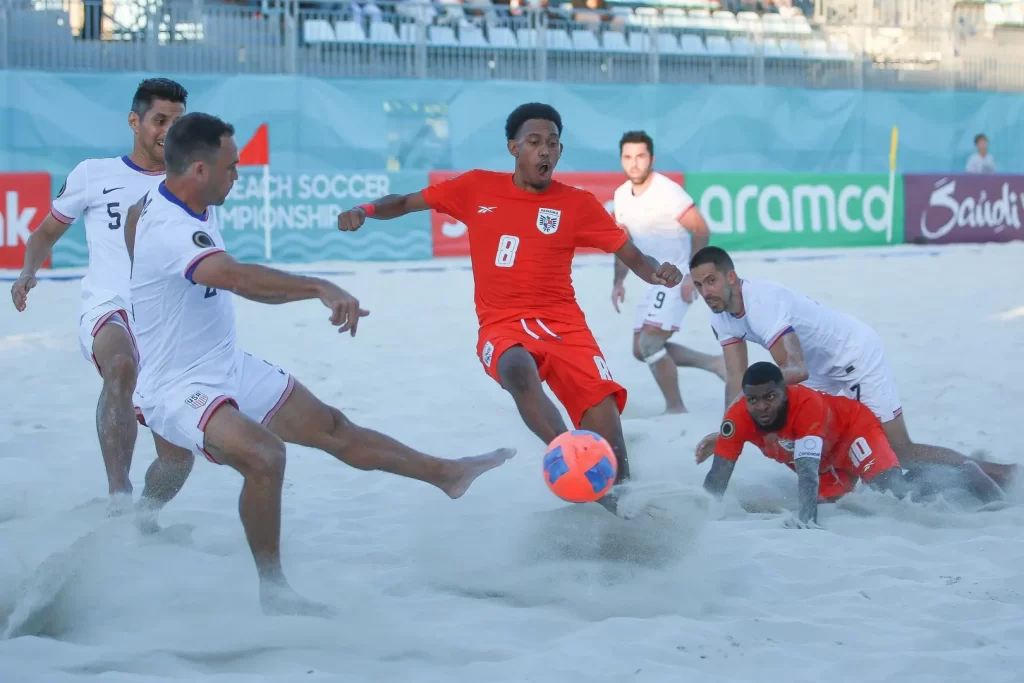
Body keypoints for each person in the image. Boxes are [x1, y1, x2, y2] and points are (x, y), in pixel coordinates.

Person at [126, 112, 515, 616]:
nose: (238, 175)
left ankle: (447, 474)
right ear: (199, 170)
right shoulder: (171, 226)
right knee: (265, 457)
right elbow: (235, 277)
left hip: (224, 362)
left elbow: (151, 227)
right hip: (178, 384)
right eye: (232, 167)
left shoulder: (179, 197)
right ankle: (274, 592)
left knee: (333, 426)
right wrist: (317, 286)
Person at [337, 103, 683, 510]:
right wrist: (365, 210)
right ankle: (567, 454)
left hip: (565, 326)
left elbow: (634, 257)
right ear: (513, 148)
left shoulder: (578, 203)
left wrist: (657, 272)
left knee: (606, 424)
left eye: (553, 144)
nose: (545, 152)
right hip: (502, 324)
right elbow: (408, 202)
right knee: (517, 369)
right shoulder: (476, 188)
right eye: (535, 142)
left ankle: (624, 508)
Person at [688, 245, 1016, 491]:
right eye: (699, 285)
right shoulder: (720, 315)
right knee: (823, 441)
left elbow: (795, 369)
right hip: (819, 372)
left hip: (854, 356)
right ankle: (872, 489)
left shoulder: (762, 303)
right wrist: (727, 431)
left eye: (712, 281)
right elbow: (734, 379)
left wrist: (753, 400)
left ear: (731, 276)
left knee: (900, 449)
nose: (706, 292)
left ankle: (999, 472)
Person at [9, 78, 190, 515]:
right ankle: (118, 498)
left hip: (164, 319)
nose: (168, 130)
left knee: (179, 456)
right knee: (121, 366)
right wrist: (28, 271)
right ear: (135, 121)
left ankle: (144, 520)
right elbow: (46, 232)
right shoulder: (94, 173)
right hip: (108, 305)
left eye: (177, 122)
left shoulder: (190, 182)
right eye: (159, 120)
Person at [698, 362, 1005, 528]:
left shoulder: (806, 405)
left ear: (785, 392)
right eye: (753, 399)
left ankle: (965, 473)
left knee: (898, 494)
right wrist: (705, 515)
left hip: (853, 432)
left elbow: (805, 470)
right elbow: (718, 474)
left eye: (770, 397)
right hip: (824, 462)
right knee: (845, 505)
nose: (762, 406)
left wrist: (806, 523)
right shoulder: (738, 418)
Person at [610, 130, 725, 414]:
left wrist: (692, 275)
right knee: (641, 349)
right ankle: (715, 364)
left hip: (677, 279)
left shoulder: (666, 190)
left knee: (650, 343)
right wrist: (618, 282)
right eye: (628, 157)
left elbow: (700, 229)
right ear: (621, 160)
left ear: (651, 158)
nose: (634, 163)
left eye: (640, 156)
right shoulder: (621, 195)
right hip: (652, 281)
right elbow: (623, 244)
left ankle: (676, 408)